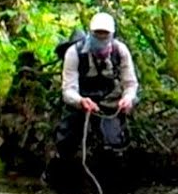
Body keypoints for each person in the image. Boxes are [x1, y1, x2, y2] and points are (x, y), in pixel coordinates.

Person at [53, 12, 139, 171]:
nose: (101, 38)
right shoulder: (74, 52)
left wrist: (128, 98)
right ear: (90, 33)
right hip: (79, 103)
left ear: (112, 35)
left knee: (114, 144)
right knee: (66, 141)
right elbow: (68, 90)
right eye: (97, 34)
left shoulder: (120, 51)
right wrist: (80, 101)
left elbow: (130, 83)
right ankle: (59, 171)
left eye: (105, 34)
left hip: (108, 104)